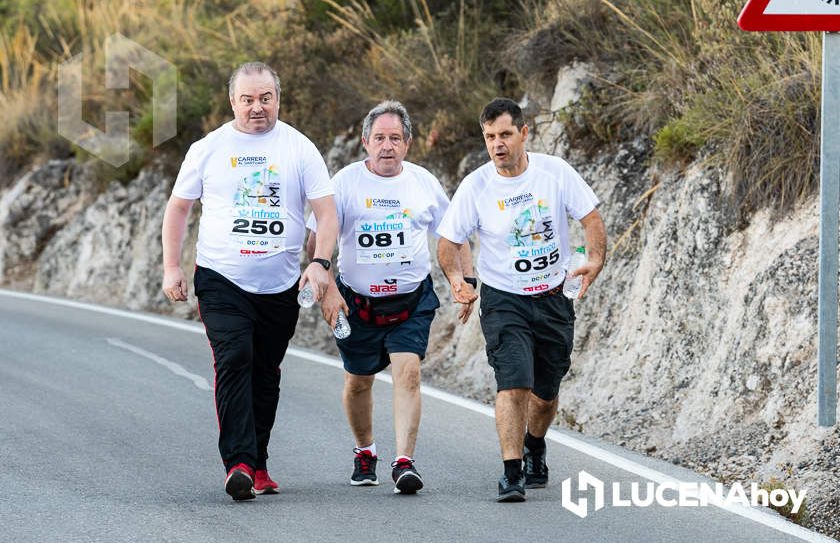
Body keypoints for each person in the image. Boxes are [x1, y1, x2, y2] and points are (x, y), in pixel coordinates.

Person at [161, 61, 338, 501]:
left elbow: (328, 212)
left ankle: (258, 463)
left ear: (278, 98)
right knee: (235, 356)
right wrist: (172, 266)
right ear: (232, 102)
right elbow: (179, 208)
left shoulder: (299, 148)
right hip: (221, 278)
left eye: (265, 98)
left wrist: (320, 263)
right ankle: (237, 463)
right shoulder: (208, 148)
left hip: (279, 286)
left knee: (266, 374)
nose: (257, 107)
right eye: (247, 99)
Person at [437, 97, 606, 502]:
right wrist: (457, 279)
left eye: (506, 135)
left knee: (545, 393)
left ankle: (535, 444)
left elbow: (591, 219)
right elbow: (448, 242)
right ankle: (511, 472)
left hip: (553, 297)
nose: (498, 144)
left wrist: (595, 259)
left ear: (524, 133)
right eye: (490, 136)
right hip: (504, 299)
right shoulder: (476, 186)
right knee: (513, 383)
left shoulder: (555, 172)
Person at [306, 100, 474, 494]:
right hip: (356, 303)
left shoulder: (422, 183)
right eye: (379, 138)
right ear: (365, 141)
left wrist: (465, 280)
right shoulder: (344, 183)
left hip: (410, 302)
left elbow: (453, 235)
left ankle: (404, 462)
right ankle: (365, 452)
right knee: (358, 382)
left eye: (395, 139)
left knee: (408, 371)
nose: (387, 146)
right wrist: (326, 289)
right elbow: (318, 240)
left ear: (408, 143)